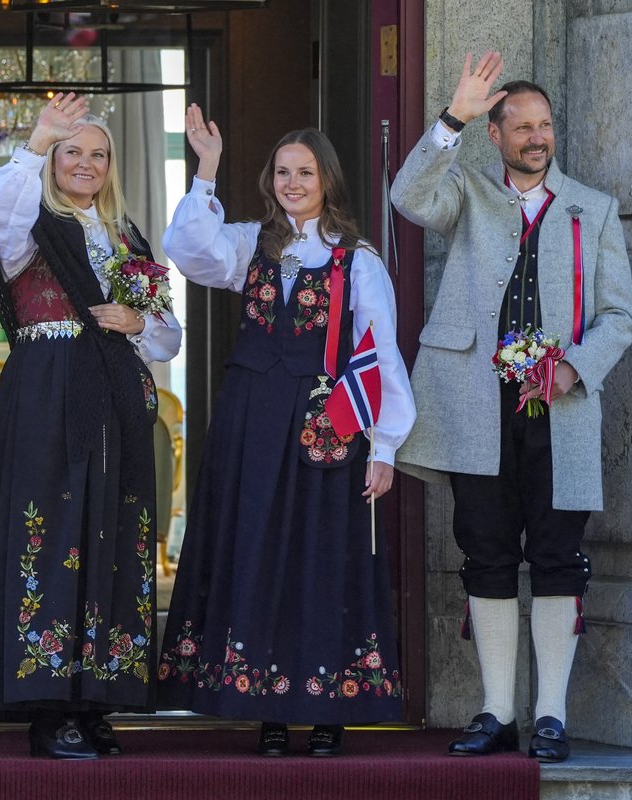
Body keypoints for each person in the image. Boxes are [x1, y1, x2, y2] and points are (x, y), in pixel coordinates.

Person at [390, 52, 632, 762]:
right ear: (494, 134)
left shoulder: (593, 207)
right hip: (475, 402)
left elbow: (620, 316)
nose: (537, 137)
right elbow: (410, 197)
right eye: (521, 126)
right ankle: (497, 713)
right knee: (487, 552)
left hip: (560, 410)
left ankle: (550, 717)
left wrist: (575, 370)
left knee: (559, 556)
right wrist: (450, 119)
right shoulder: (465, 188)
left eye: (545, 125)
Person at [156, 105, 416, 757]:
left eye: (304, 172)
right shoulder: (248, 244)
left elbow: (378, 349)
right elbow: (189, 251)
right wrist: (206, 170)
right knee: (255, 554)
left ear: (327, 180)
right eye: (281, 172)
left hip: (325, 426)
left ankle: (326, 708)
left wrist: (383, 445)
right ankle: (265, 707)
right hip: (251, 424)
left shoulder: (357, 261)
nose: (292, 182)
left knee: (320, 557)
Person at [0, 94, 182, 759]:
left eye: (97, 153)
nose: (85, 163)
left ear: (111, 165)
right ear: (53, 160)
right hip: (47, 388)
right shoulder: (29, 222)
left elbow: (167, 336)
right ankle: (46, 702)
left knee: (110, 536)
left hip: (114, 394)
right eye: (72, 151)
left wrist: (136, 322)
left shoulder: (126, 236)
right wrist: (35, 142)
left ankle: (94, 698)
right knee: (51, 531)